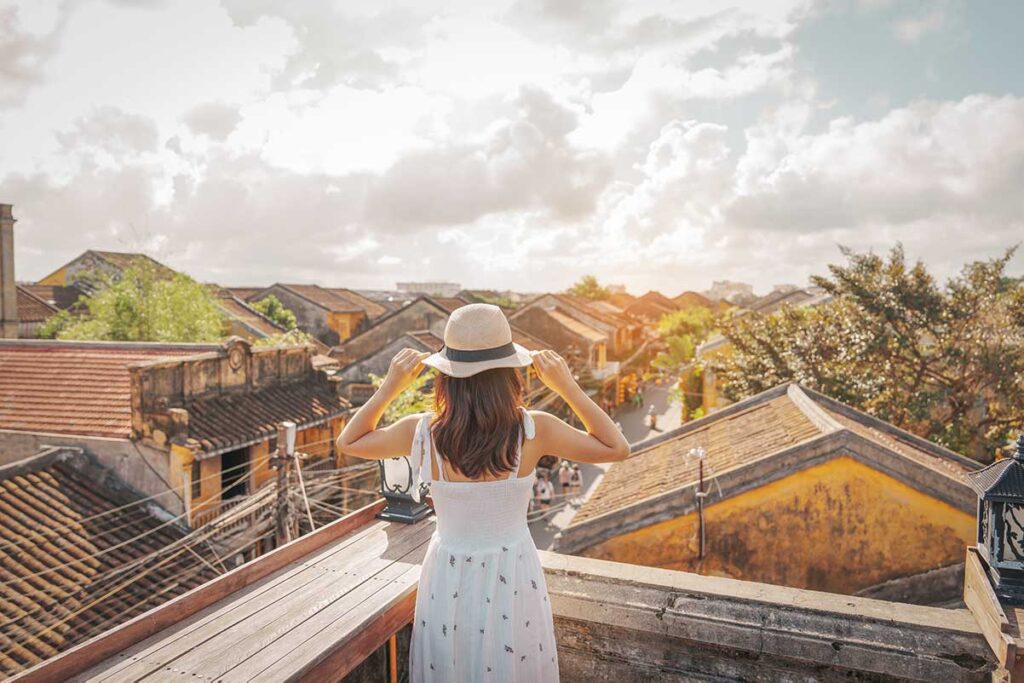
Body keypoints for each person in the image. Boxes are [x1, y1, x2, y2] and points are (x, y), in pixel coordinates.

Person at [337, 303, 629, 682]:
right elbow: (616, 448)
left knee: (452, 666)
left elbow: (350, 441)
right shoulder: (534, 429)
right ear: (510, 375)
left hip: (448, 572)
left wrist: (391, 385)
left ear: (447, 377)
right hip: (513, 571)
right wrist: (566, 385)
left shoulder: (423, 432)